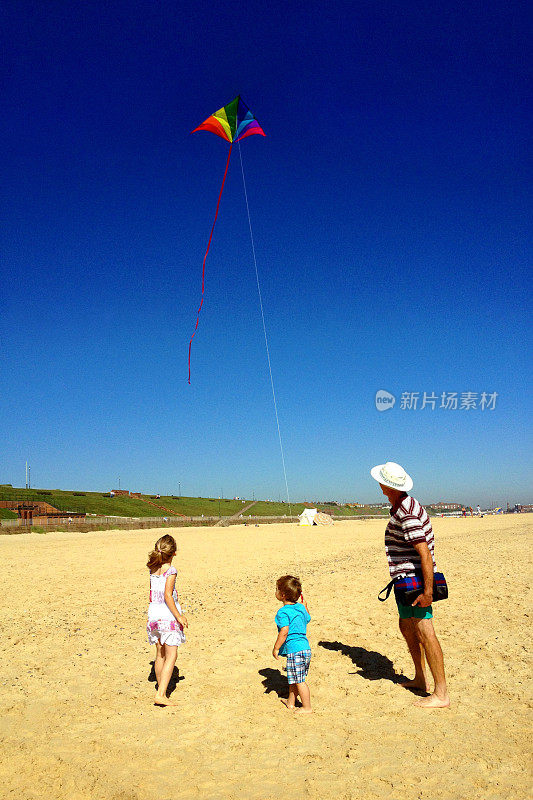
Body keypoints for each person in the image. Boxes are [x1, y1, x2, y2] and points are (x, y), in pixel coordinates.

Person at [371, 462, 450, 709]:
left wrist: (428, 592)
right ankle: (419, 679)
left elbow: (424, 553)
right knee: (406, 626)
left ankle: (441, 694)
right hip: (404, 582)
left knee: (426, 631)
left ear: (387, 485)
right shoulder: (400, 506)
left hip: (415, 583)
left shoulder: (406, 512)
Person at [146, 534, 188, 706]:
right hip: (166, 614)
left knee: (160, 653)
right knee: (171, 654)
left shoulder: (153, 568)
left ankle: (160, 687)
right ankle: (161, 693)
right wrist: (179, 616)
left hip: (153, 614)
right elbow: (167, 596)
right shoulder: (171, 571)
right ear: (174, 553)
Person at [272, 575, 312, 713]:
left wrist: (276, 647)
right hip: (305, 649)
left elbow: (284, 631)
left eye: (276, 589)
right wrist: (305, 607)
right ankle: (291, 702)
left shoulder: (283, 612)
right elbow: (308, 619)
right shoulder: (300, 608)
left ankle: (307, 707)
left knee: (299, 681)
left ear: (282, 595)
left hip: (295, 650)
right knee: (294, 677)